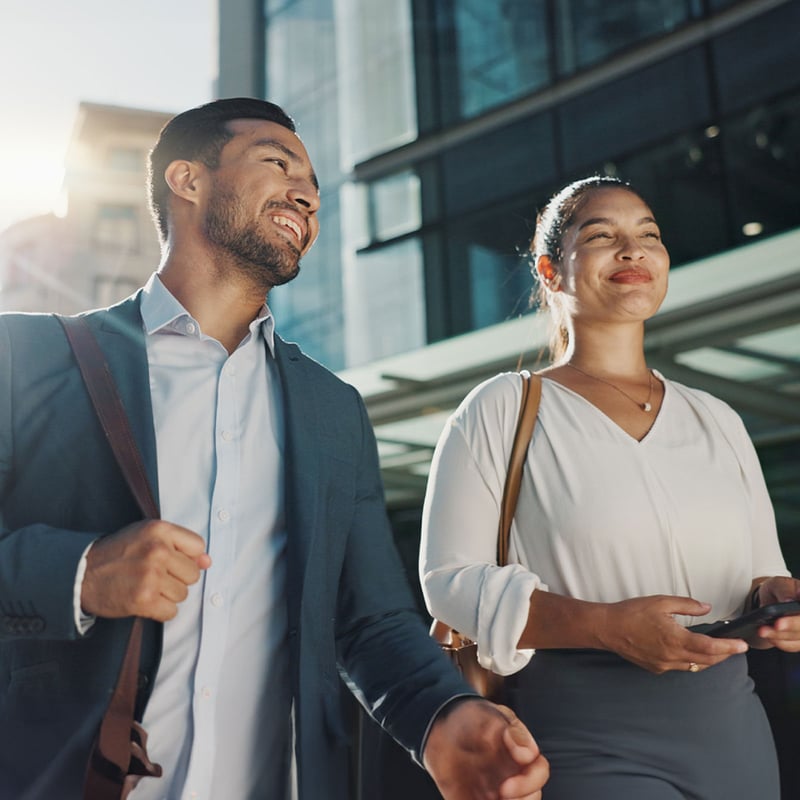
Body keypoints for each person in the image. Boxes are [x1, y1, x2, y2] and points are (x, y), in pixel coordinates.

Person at [0, 98, 549, 800]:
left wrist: (443, 716)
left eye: (315, 189)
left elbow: (371, 620)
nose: (306, 197)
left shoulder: (332, 410)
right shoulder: (29, 358)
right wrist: (78, 575)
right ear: (188, 180)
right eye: (277, 164)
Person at [419, 175, 800, 799]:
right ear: (549, 270)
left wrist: (779, 602)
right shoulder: (503, 406)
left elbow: (762, 576)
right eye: (602, 236)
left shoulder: (717, 418)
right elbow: (448, 584)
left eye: (648, 235)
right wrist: (604, 625)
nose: (633, 251)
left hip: (732, 721)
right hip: (581, 726)